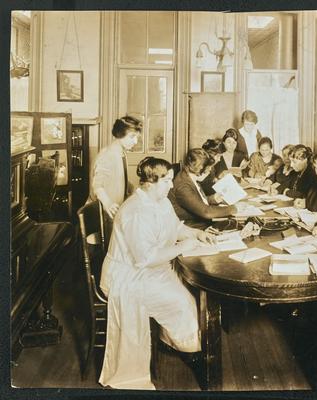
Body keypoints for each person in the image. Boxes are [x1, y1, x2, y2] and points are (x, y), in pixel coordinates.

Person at [99, 157, 215, 390]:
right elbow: (145, 258)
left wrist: (196, 235)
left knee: (190, 291)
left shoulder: (159, 201)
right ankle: (194, 355)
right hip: (128, 277)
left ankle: (180, 342)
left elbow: (176, 227)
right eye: (167, 181)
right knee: (183, 302)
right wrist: (183, 247)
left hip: (150, 269)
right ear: (150, 183)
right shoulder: (135, 210)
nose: (171, 186)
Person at [169, 148, 238, 226]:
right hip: (193, 226)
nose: (209, 172)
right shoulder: (183, 185)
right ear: (200, 168)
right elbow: (206, 212)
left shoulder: (189, 176)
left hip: (199, 222)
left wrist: (212, 199)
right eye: (208, 169)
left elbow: (196, 203)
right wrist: (234, 208)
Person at [90, 115, 141, 219]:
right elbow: (97, 186)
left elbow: (120, 179)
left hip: (117, 209)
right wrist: (108, 203)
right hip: (104, 213)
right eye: (132, 136)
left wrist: (138, 191)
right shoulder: (107, 155)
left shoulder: (121, 153)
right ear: (120, 134)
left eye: (137, 137)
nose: (135, 141)